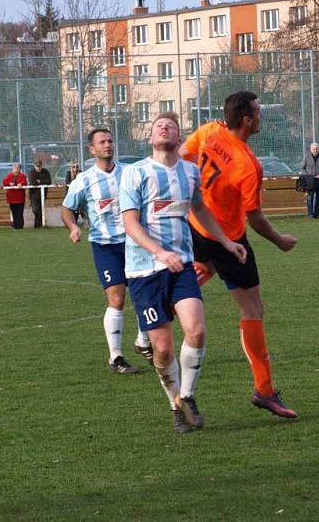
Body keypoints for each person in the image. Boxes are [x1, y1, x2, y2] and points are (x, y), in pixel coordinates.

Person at [120, 112, 247, 433]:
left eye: (171, 127)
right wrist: (159, 251)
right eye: (158, 126)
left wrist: (226, 242)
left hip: (181, 268)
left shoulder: (190, 172)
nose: (164, 128)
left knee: (197, 330)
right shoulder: (135, 173)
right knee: (162, 349)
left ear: (179, 139)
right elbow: (130, 223)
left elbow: (200, 207)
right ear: (150, 138)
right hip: (144, 272)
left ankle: (187, 396)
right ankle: (175, 404)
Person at [180, 91, 300, 419]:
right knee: (253, 309)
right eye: (258, 113)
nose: (261, 117)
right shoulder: (249, 165)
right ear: (246, 120)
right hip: (228, 238)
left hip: (195, 224)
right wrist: (279, 240)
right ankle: (264, 390)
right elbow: (255, 217)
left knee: (204, 267)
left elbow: (182, 155)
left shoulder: (209, 131)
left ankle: (162, 307)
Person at [61, 128, 150, 376]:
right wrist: (73, 227)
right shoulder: (84, 180)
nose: (108, 145)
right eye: (102, 142)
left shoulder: (129, 173)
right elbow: (67, 209)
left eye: (110, 140)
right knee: (117, 298)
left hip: (134, 242)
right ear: (92, 149)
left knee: (146, 295)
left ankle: (144, 341)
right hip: (105, 245)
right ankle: (116, 357)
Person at [299, 142, 319, 218]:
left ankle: (316, 214)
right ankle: (310, 214)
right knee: (310, 198)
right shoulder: (307, 156)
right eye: (314, 149)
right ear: (311, 149)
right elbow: (302, 168)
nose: (315, 150)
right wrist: (307, 175)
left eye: (317, 149)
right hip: (310, 181)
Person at [3, 163, 27, 230]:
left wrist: (20, 184)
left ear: (19, 169)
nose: (14, 170)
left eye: (16, 168)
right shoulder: (9, 175)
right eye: (13, 168)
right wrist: (9, 183)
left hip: (20, 199)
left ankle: (20, 227)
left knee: (20, 213)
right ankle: (15, 226)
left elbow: (24, 182)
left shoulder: (23, 176)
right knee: (14, 212)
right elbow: (4, 182)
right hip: (11, 198)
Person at [29, 160, 51, 229]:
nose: (38, 168)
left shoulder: (46, 172)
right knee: (35, 210)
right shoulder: (32, 172)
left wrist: (39, 181)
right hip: (33, 195)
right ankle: (40, 223)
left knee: (41, 210)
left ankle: (38, 226)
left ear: (42, 166)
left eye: (39, 166)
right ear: (34, 166)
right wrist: (42, 182)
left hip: (43, 194)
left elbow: (49, 181)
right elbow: (33, 182)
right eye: (37, 166)